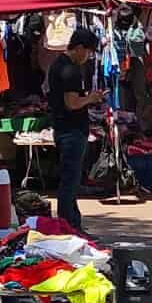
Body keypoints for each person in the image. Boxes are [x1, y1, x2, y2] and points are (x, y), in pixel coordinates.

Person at [48, 27, 105, 230]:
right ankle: (68, 224)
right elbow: (72, 103)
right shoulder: (69, 70)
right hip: (71, 131)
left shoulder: (58, 65)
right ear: (79, 48)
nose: (88, 57)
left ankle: (72, 222)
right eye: (88, 52)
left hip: (64, 129)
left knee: (70, 179)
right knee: (70, 181)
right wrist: (91, 98)